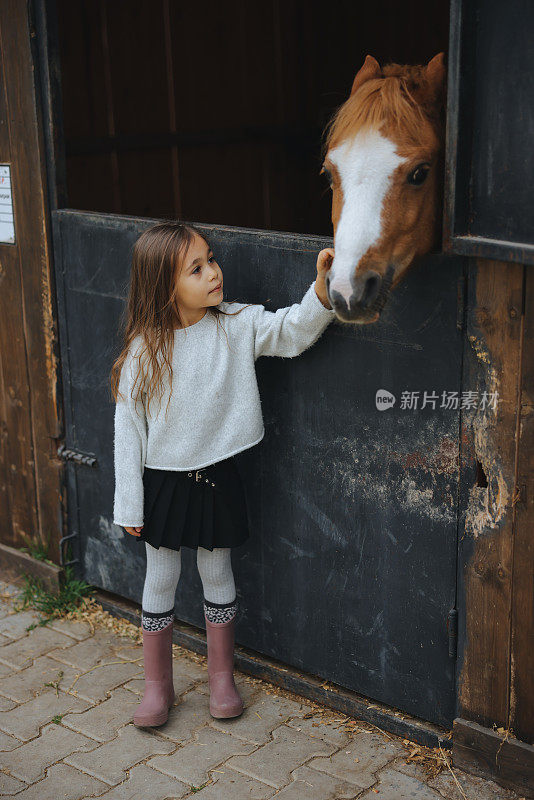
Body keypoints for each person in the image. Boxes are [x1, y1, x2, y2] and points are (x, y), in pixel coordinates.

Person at [110, 221, 336, 727]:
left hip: (217, 476)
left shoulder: (235, 324)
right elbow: (128, 432)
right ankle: (156, 687)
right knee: (161, 578)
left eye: (211, 259)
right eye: (197, 268)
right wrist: (129, 504)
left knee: (217, 573)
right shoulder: (144, 353)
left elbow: (292, 331)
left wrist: (321, 290)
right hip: (163, 481)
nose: (214, 272)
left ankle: (220, 679)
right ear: (164, 288)